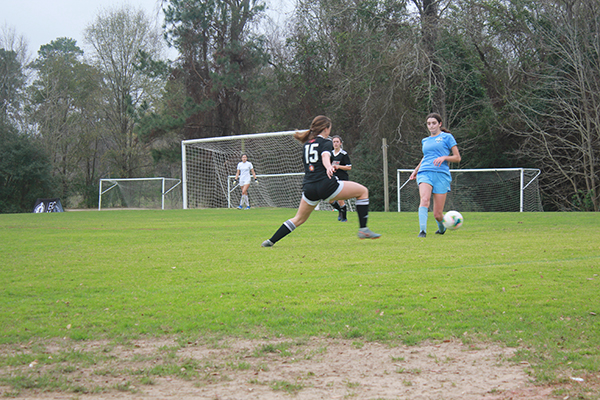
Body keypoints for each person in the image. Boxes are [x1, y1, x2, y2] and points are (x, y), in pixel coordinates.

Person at [262, 115, 381, 247]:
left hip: (309, 188)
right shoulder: (326, 142)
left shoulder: (307, 144)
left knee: (298, 219)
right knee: (363, 191)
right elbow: (325, 156)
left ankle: (270, 241)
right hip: (326, 185)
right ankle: (363, 229)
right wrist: (328, 166)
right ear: (325, 129)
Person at [409, 113, 461, 237]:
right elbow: (425, 157)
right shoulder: (425, 141)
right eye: (428, 123)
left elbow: (457, 158)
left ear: (439, 124)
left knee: (438, 214)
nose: (431, 126)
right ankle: (422, 231)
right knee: (425, 200)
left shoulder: (447, 137)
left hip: (441, 175)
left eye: (433, 123)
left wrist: (444, 157)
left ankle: (442, 229)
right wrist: (415, 171)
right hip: (425, 172)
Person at [328, 135, 352, 222]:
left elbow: (349, 167)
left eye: (337, 142)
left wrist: (338, 166)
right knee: (330, 199)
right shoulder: (329, 154)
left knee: (340, 199)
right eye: (334, 142)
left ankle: (344, 218)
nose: (335, 143)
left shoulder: (344, 154)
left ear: (340, 143)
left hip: (342, 179)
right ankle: (340, 211)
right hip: (333, 178)